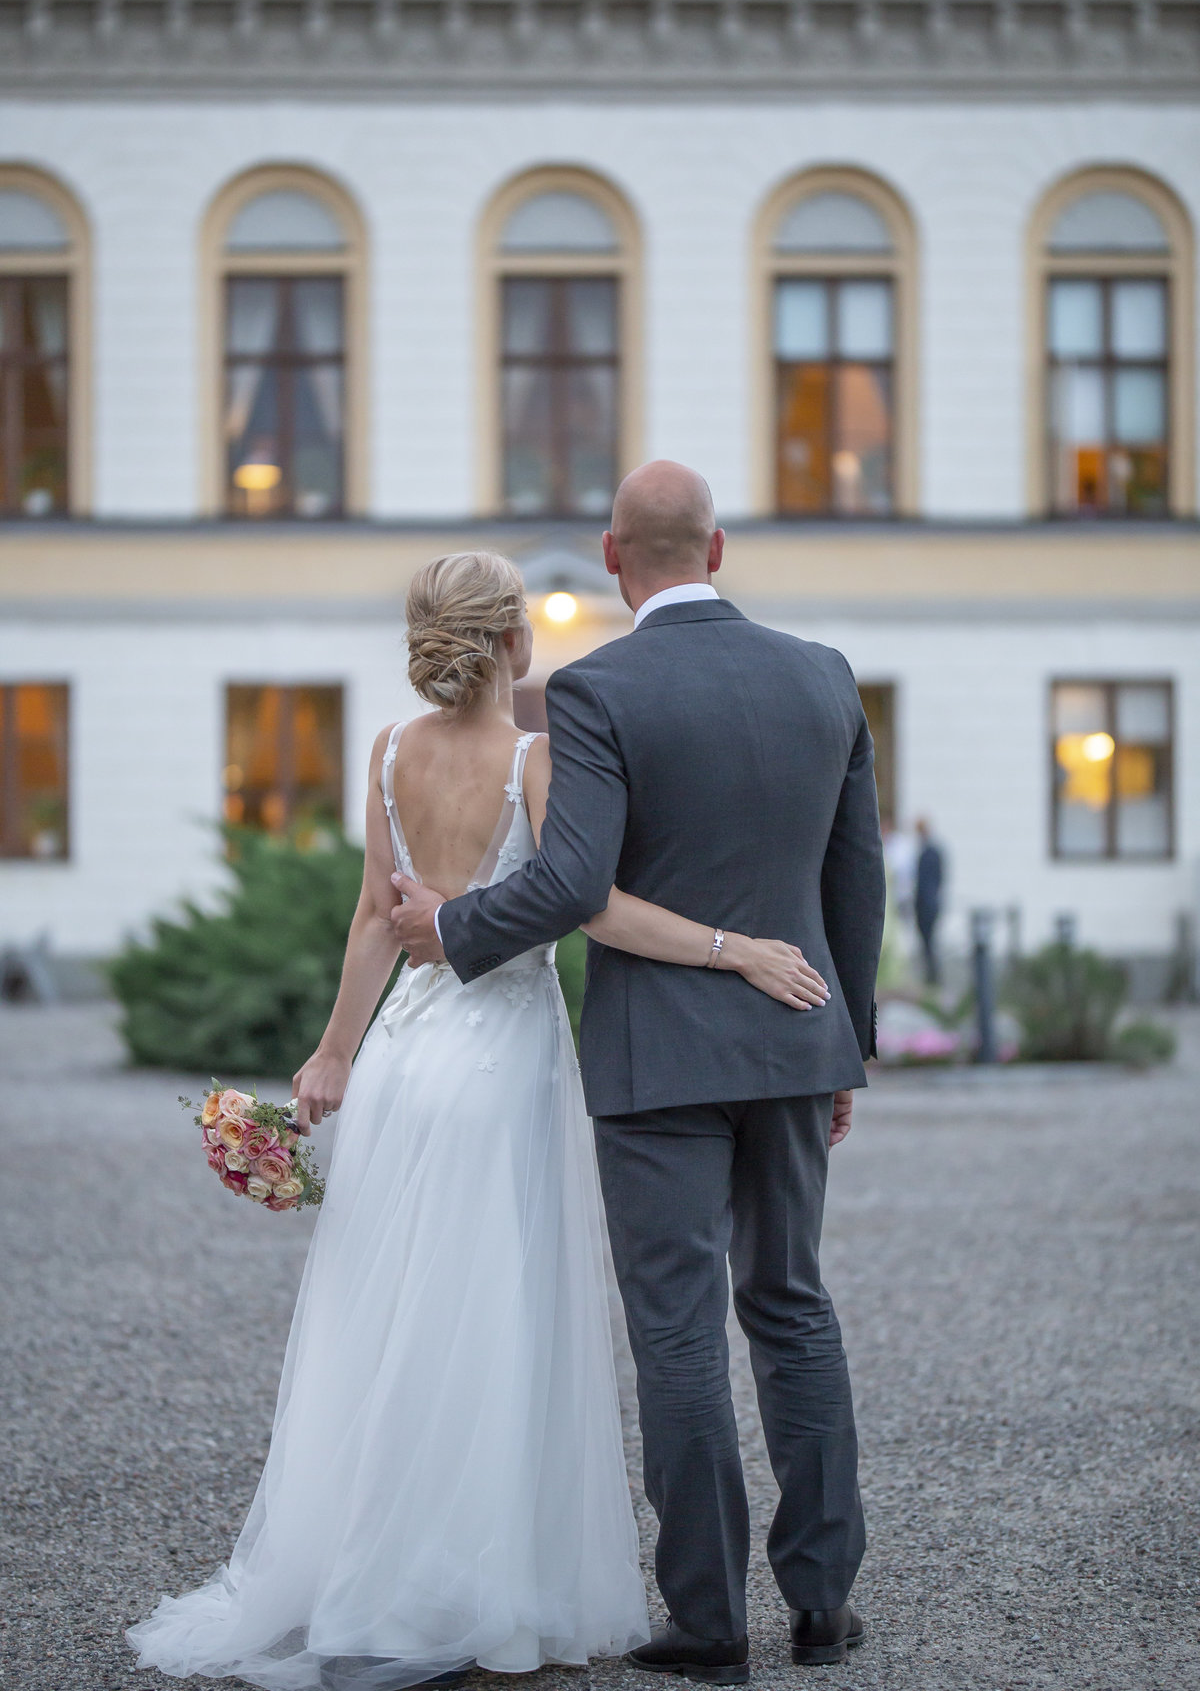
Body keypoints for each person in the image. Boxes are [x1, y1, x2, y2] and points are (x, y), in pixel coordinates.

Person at [127, 550, 827, 1691]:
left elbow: (370, 919)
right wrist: (731, 947)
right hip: (503, 1062)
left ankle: (377, 1572)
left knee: (397, 1317)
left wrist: (333, 1052)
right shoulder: (536, 761)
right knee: (496, 1319)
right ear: (515, 642)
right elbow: (587, 906)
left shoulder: (390, 751)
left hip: (407, 1057)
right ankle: (474, 1594)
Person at [391, 464, 886, 1679]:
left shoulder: (598, 691)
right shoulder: (823, 675)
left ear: (614, 557)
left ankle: (709, 1626)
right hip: (793, 1036)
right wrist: (847, 1046)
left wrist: (449, 932)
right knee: (794, 1308)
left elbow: (570, 887)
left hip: (656, 1059)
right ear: (715, 550)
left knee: (676, 1334)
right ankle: (822, 1608)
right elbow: (854, 876)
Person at [914, 817, 945, 986]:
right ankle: (932, 975)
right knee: (928, 942)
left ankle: (933, 976)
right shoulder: (931, 852)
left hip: (927, 906)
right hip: (928, 904)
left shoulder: (929, 853)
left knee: (929, 942)